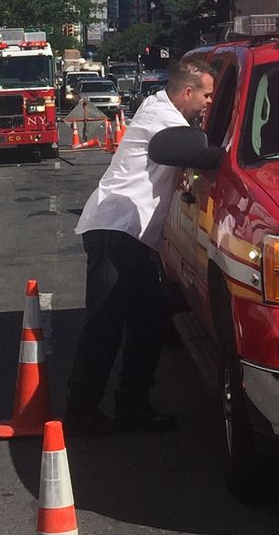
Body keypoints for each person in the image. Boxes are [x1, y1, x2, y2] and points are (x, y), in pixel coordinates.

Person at [66, 53, 217, 434]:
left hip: (133, 234)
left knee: (149, 321)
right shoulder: (163, 121)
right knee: (106, 323)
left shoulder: (161, 108)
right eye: (207, 96)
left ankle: (132, 403)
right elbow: (203, 152)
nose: (210, 103)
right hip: (116, 230)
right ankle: (81, 410)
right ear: (187, 92)